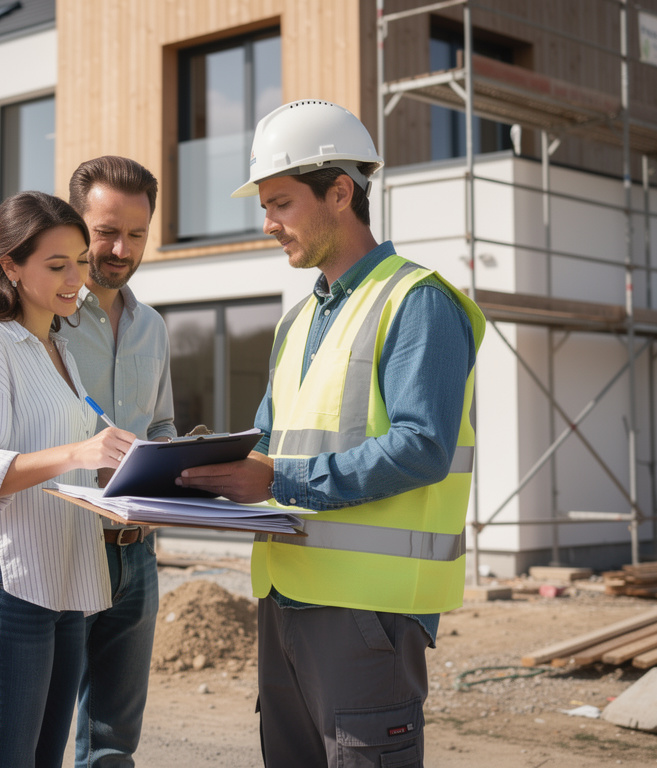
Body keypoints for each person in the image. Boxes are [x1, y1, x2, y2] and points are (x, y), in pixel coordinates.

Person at [176, 99, 486, 767]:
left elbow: (421, 447)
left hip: (365, 613)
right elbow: (265, 447)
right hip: (286, 596)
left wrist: (278, 479)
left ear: (340, 192)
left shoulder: (418, 302)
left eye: (281, 203)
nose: (268, 224)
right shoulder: (296, 322)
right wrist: (177, 479)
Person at [0, 190, 137, 768]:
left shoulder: (59, 349)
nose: (76, 277)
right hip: (8, 587)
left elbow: (59, 463)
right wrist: (78, 449)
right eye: (56, 265)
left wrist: (116, 467)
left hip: (65, 582)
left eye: (80, 260)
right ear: (10, 267)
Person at [61, 155, 176, 768]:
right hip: (62, 543)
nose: (120, 247)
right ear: (76, 226)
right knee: (39, 730)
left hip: (137, 553)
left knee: (112, 743)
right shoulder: (43, 321)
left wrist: (174, 472)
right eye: (105, 230)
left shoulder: (152, 327)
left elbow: (159, 425)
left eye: (136, 233)